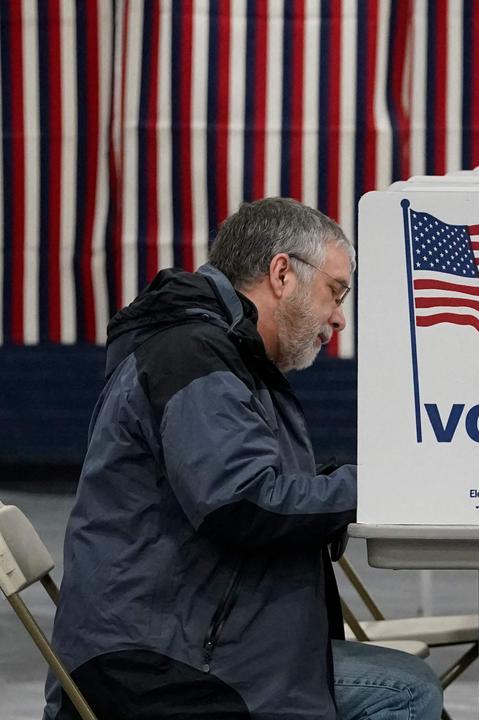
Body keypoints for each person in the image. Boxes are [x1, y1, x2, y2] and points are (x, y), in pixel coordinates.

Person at [45, 198, 443, 720]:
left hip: (175, 637)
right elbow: (243, 502)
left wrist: (338, 485)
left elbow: (246, 483)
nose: (340, 318)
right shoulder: (193, 354)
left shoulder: (210, 350)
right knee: (408, 691)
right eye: (335, 291)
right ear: (282, 274)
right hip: (157, 667)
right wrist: (384, 484)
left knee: (404, 683)